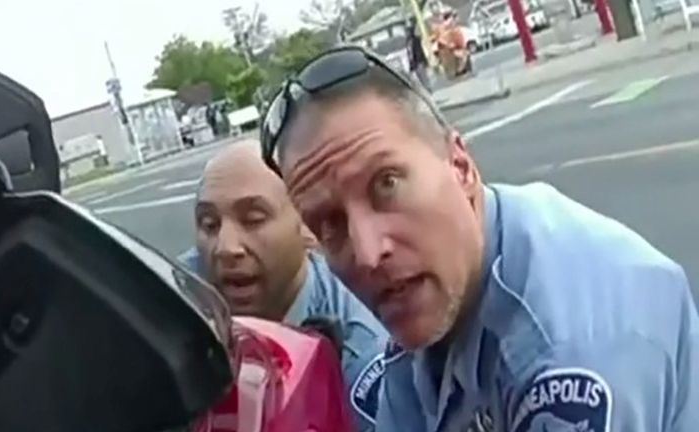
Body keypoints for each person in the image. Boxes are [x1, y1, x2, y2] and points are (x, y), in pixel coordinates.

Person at [259, 46, 699, 432]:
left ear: (461, 167)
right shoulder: (442, 277)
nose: (369, 253)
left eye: (387, 184)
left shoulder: (567, 355)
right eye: (330, 223)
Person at [177, 141, 389, 432]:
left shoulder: (359, 346)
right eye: (210, 224)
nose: (225, 248)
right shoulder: (174, 301)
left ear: (308, 224)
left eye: (253, 219)